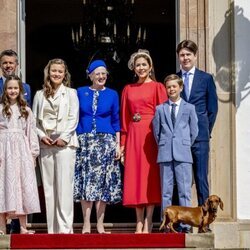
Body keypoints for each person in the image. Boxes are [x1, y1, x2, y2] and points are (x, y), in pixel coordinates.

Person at [120, 49, 167, 233]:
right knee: (135, 177)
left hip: (151, 136)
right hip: (133, 135)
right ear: (134, 67)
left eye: (144, 65)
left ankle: (149, 220)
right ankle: (138, 221)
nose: (141, 68)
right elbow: (124, 119)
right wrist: (122, 146)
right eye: (138, 65)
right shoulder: (127, 89)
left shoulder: (158, 87)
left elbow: (163, 115)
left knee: (150, 177)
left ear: (150, 66)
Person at [74, 60, 122, 234]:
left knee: (103, 184)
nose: (101, 77)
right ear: (90, 75)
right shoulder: (79, 92)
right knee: (86, 182)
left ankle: (100, 224)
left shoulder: (112, 94)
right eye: (97, 73)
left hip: (106, 143)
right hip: (85, 142)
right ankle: (86, 223)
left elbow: (116, 120)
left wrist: (118, 145)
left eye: (104, 73)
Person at [32, 58, 79, 234]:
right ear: (48, 73)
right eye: (53, 71)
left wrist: (64, 138)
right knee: (49, 189)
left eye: (60, 71)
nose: (56, 74)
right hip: (46, 145)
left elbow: (73, 118)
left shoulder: (71, 93)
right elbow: (34, 121)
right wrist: (42, 136)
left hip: (65, 145)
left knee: (64, 188)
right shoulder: (39, 94)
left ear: (64, 73)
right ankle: (52, 230)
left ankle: (65, 230)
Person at [152, 74, 198, 233]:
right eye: (169, 87)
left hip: (183, 154)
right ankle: (166, 225)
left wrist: (183, 145)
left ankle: (186, 225)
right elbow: (156, 132)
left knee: (184, 192)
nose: (171, 89)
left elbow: (194, 131)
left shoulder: (189, 108)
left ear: (181, 88)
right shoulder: (160, 109)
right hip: (165, 154)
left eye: (174, 86)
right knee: (166, 192)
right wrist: (166, 145)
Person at [176, 40, 218, 209]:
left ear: (195, 56)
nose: (185, 58)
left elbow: (212, 110)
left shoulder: (206, 78)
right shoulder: (174, 79)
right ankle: (181, 222)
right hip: (179, 138)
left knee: (201, 178)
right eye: (182, 55)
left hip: (200, 136)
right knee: (181, 180)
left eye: (188, 54)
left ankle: (204, 222)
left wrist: (206, 131)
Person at [0, 75, 40, 235]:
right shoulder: (0, 109)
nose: (12, 91)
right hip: (4, 152)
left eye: (15, 88)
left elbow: (31, 133)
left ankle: (23, 227)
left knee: (22, 187)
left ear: (20, 90)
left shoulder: (27, 111)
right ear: (5, 90)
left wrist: (33, 154)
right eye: (10, 88)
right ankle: (2, 227)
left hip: (22, 153)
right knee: (3, 187)